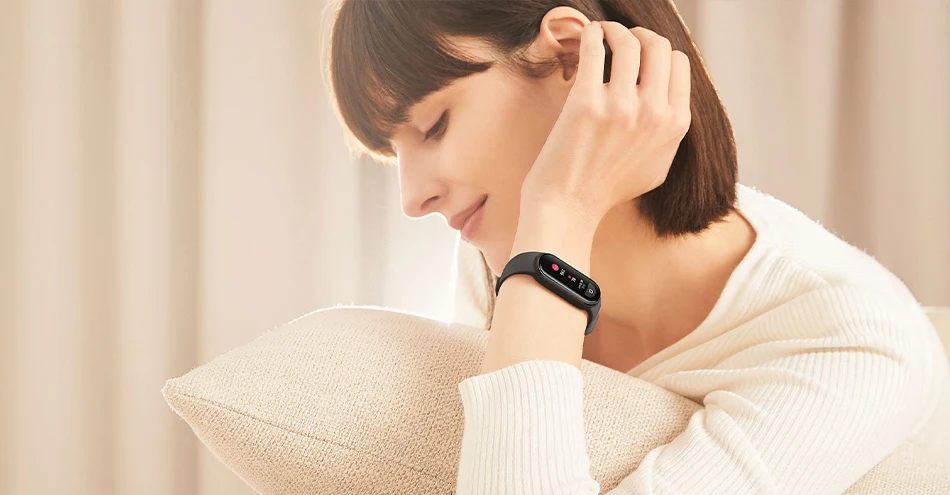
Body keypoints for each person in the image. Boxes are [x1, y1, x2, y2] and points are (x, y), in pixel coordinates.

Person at [324, 1, 950, 493]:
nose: (413, 199)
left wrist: (560, 212)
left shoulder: (848, 341)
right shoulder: (498, 251)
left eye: (434, 125)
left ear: (573, 59)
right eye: (393, 155)